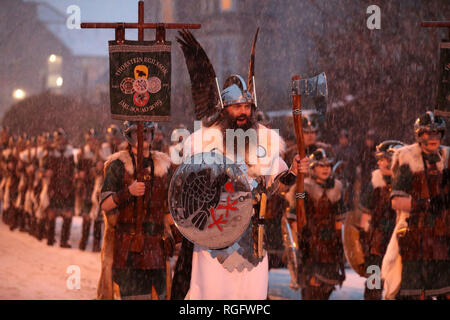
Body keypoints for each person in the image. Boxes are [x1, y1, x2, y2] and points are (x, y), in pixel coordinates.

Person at [171, 29, 305, 300]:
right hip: (213, 234)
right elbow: (187, 190)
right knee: (210, 295)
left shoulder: (264, 140)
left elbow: (277, 181)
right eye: (237, 107)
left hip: (252, 236)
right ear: (225, 110)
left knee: (250, 296)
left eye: (247, 106)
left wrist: (292, 171)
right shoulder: (203, 142)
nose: (243, 112)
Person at [98, 121, 174, 300]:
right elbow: (105, 204)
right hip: (128, 247)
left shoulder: (164, 165)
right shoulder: (118, 165)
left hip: (156, 247)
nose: (144, 135)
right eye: (139, 131)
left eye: (148, 131)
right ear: (128, 135)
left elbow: (169, 208)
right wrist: (128, 192)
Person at [387, 111, 450, 300]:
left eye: (437, 133)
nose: (433, 138)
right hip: (415, 237)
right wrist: (427, 205)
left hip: (443, 240)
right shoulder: (408, 161)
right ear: (419, 135)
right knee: (412, 293)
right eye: (427, 133)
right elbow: (396, 201)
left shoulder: (447, 160)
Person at [293, 148, 347, 300]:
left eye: (328, 166)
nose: (325, 169)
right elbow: (296, 211)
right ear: (313, 167)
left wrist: (340, 245)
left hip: (330, 247)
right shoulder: (305, 187)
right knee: (311, 290)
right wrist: (300, 242)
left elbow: (339, 221)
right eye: (321, 165)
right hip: (311, 246)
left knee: (326, 288)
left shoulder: (336, 188)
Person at [359, 140, 404, 300]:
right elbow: (365, 216)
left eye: (384, 158)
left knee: (400, 287)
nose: (379, 162)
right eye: (379, 159)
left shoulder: (407, 182)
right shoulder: (375, 183)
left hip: (400, 241)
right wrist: (364, 242)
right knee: (373, 285)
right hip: (376, 244)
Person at [42, 129, 76, 248]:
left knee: (68, 214)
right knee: (52, 214)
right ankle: (50, 238)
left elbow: (74, 169)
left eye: (62, 139)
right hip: (54, 187)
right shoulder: (50, 153)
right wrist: (46, 172)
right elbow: (41, 169)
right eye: (57, 140)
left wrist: (74, 176)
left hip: (67, 187)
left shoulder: (71, 154)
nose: (60, 142)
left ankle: (64, 240)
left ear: (65, 140)